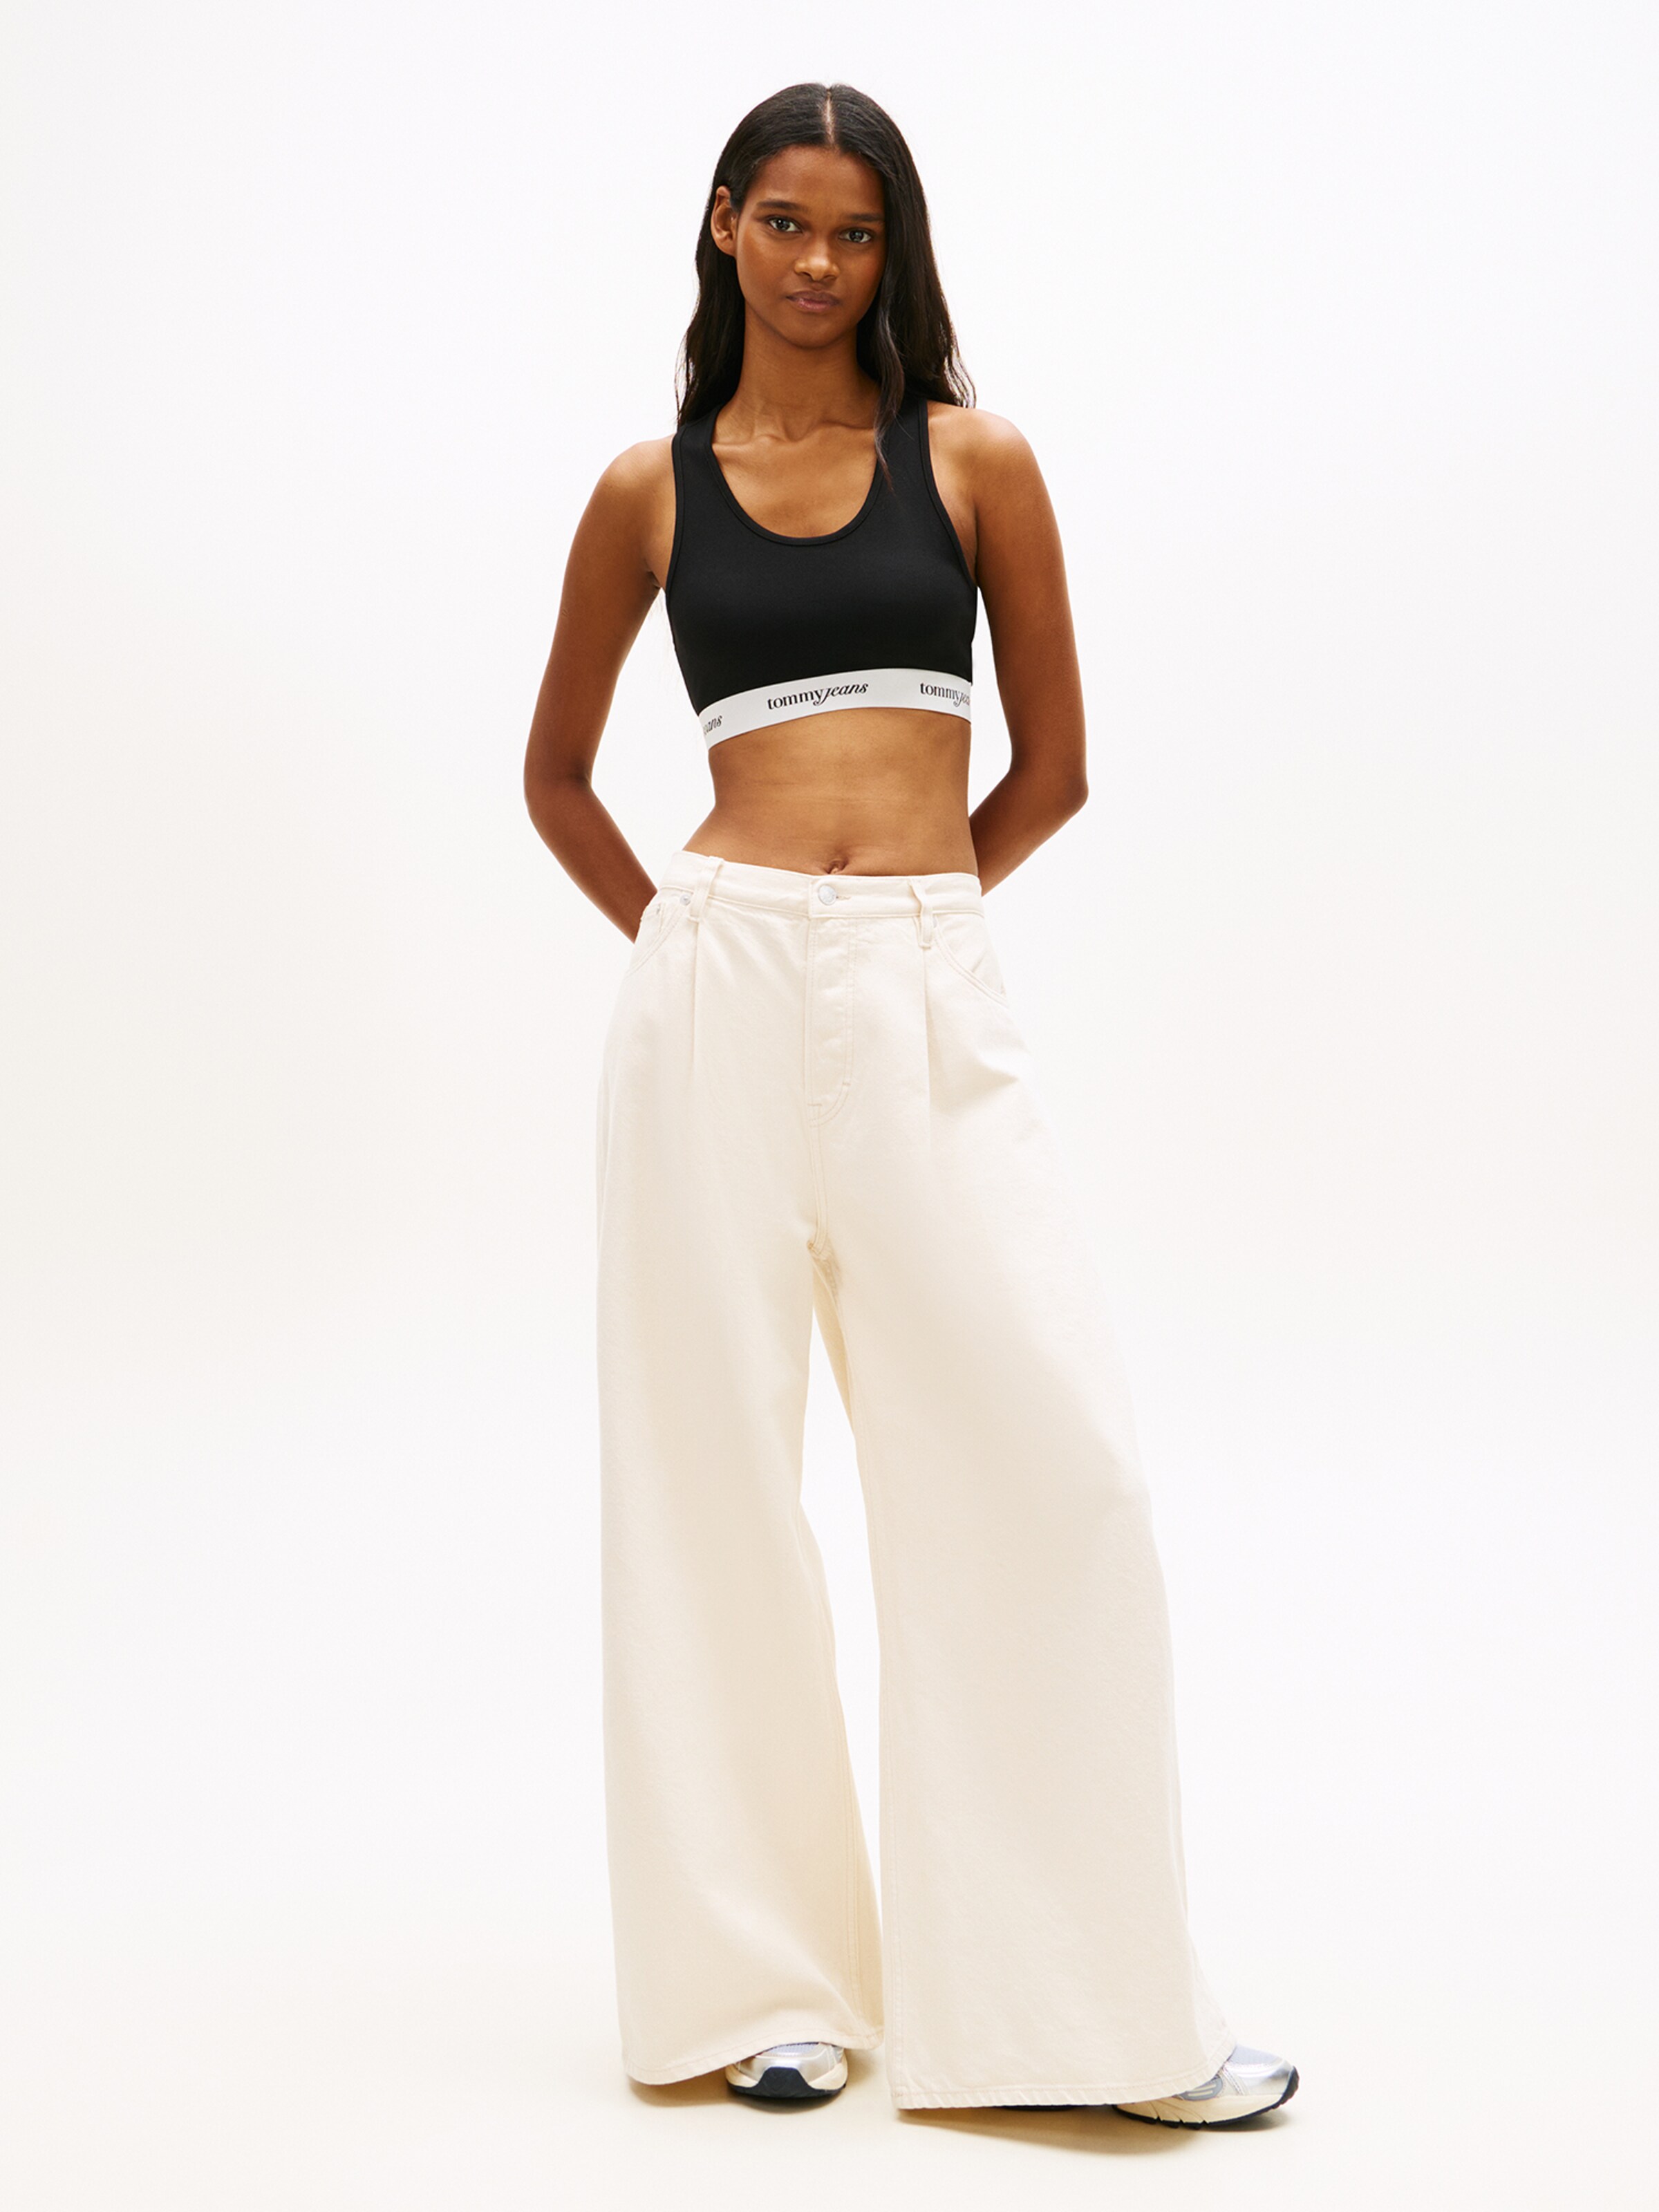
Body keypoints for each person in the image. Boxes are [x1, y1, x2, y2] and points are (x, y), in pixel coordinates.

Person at [523, 80, 1297, 2126]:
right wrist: (696, 946)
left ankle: (1083, 2015)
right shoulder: (646, 491)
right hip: (715, 984)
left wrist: (907, 930)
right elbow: (555, 778)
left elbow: (1053, 770)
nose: (817, 262)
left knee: (1052, 1469)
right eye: (785, 221)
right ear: (723, 225)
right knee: (707, 1480)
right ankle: (757, 1993)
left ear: (894, 251)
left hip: (922, 978)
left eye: (854, 232)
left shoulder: (974, 461)